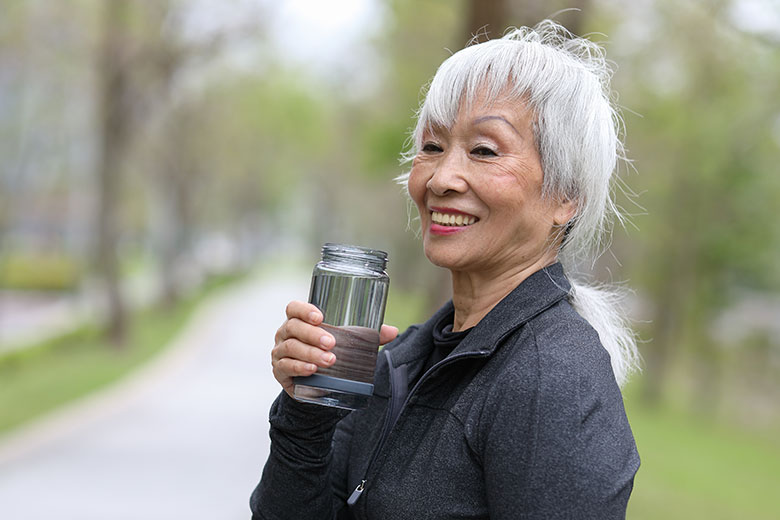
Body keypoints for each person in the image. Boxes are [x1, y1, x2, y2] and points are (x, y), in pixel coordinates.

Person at [251, 20, 641, 519]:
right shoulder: (404, 359)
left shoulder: (551, 380)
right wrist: (306, 409)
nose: (441, 178)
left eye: (484, 150)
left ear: (566, 197)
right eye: (432, 147)